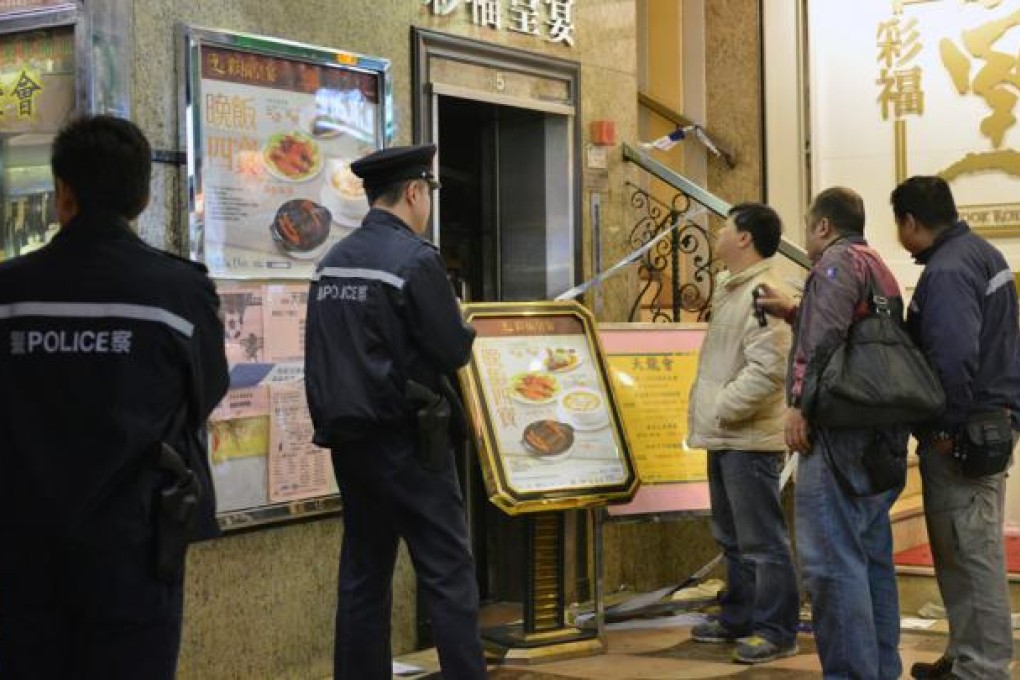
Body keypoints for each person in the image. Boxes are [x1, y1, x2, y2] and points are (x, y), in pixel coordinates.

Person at [0, 115, 228, 678]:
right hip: (137, 548)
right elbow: (207, 391)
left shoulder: (10, 290)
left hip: (21, 546)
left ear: (63, 193)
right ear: (143, 197)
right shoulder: (179, 291)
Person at [304, 144, 487, 680]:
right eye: (427, 193)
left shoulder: (332, 262)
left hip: (350, 441)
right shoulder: (416, 259)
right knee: (447, 572)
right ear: (413, 192)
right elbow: (451, 349)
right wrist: (465, 326)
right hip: (411, 441)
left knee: (364, 574)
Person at [756, 187, 905, 679]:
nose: (807, 237)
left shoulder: (836, 264)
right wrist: (794, 310)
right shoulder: (878, 266)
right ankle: (880, 669)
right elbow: (851, 331)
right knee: (870, 557)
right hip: (879, 428)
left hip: (838, 431)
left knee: (830, 563)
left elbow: (822, 342)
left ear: (823, 226)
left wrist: (799, 405)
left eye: (808, 226)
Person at [892, 176, 1020, 680]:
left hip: (966, 434)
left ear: (909, 221)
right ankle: (966, 654)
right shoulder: (982, 255)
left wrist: (945, 429)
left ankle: (983, 666)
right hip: (988, 424)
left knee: (971, 553)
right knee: (963, 550)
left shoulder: (947, 270)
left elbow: (953, 357)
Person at [686, 203, 799, 664]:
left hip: (748, 436)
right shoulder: (732, 287)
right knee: (731, 536)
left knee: (762, 541)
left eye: (725, 227)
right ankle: (740, 616)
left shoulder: (764, 291)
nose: (717, 233)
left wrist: (722, 408)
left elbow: (769, 368)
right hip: (727, 434)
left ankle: (776, 630)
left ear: (745, 238)